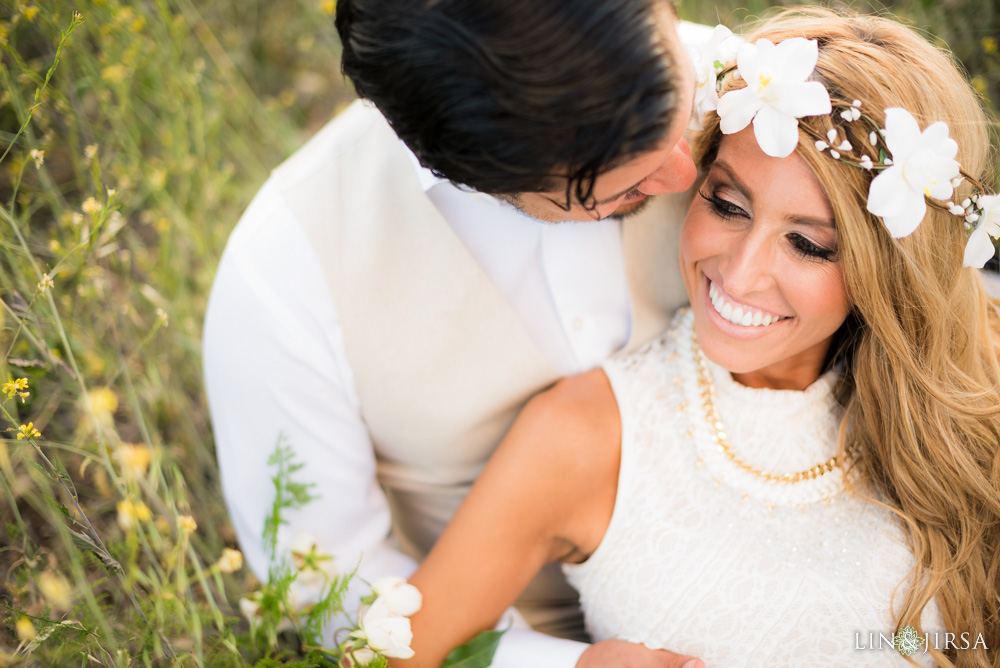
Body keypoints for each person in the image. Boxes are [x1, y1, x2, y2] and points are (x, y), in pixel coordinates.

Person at [396, 9, 1000, 668]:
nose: (739, 275)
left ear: (891, 267)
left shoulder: (977, 394)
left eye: (807, 244)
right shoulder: (590, 434)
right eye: (727, 206)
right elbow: (392, 655)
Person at [203, 0, 714, 665]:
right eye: (625, 187)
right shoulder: (285, 274)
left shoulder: (769, 92)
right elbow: (326, 584)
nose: (686, 173)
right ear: (471, 175)